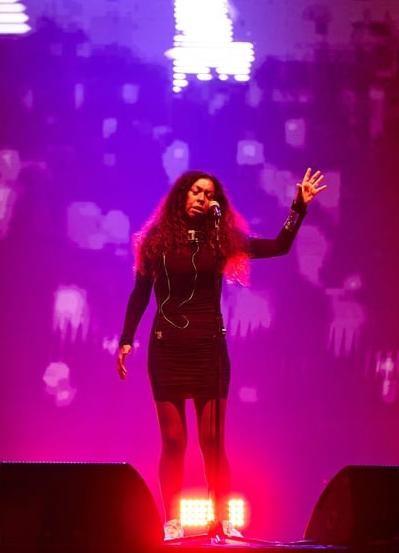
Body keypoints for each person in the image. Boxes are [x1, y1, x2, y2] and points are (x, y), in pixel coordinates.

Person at [116, 168, 326, 540]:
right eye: (196, 191)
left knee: (212, 442)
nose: (202, 198)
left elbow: (278, 246)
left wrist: (298, 208)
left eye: (208, 194)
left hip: (209, 348)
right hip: (167, 348)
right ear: (182, 194)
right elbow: (140, 294)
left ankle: (222, 519)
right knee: (174, 442)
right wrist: (126, 340)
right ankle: (172, 521)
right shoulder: (156, 241)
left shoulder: (219, 239)